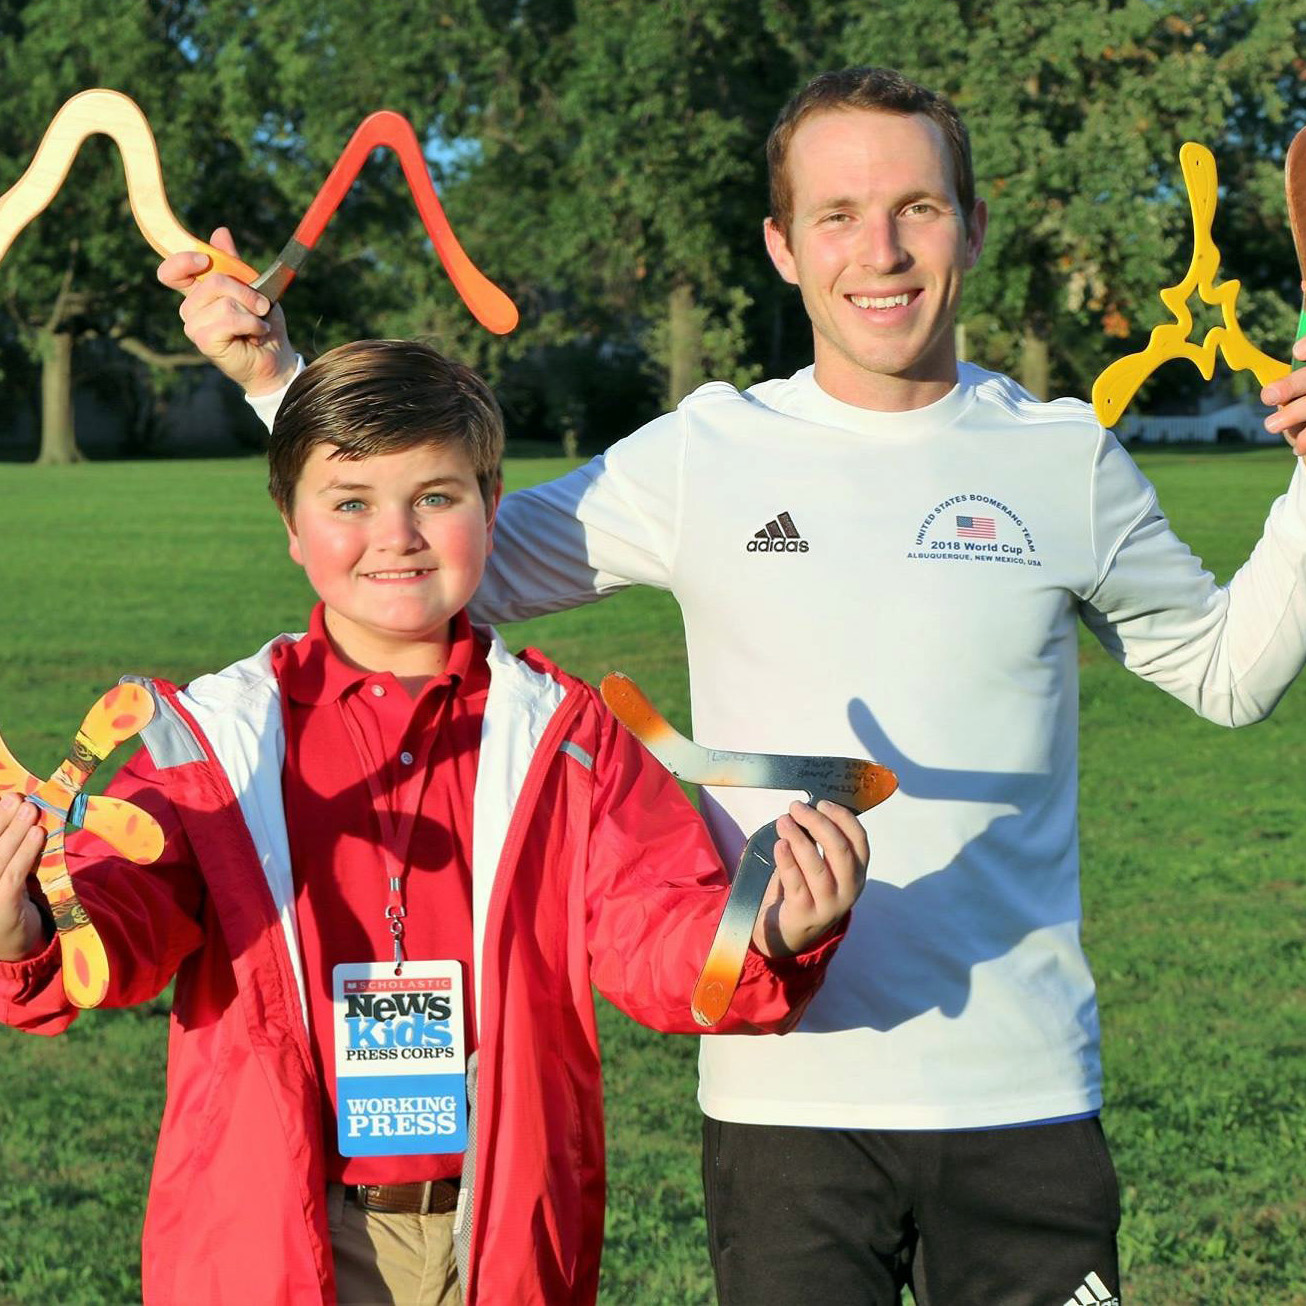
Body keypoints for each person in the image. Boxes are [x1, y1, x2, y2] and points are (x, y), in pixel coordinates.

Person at [160, 67, 1306, 1306]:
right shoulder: (706, 451)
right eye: (837, 214)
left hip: (1021, 1099)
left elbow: (1229, 676)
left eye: (917, 207)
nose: (880, 250)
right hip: (781, 1101)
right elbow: (429, 557)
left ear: (970, 226)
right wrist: (274, 371)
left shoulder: (1064, 458)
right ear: (780, 245)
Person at [0, 339, 872, 1306]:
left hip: (498, 1228)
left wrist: (767, 933)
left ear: (492, 509)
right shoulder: (214, 739)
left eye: (436, 497)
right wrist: (27, 928)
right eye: (350, 502)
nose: (397, 535)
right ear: (291, 523)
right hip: (271, 1231)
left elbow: (651, 931)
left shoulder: (572, 737)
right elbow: (123, 918)